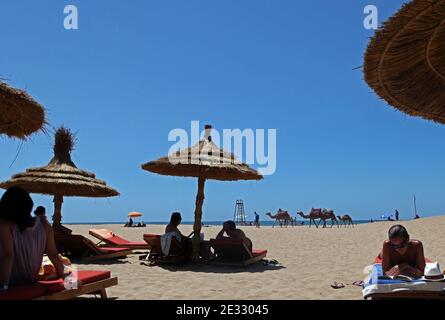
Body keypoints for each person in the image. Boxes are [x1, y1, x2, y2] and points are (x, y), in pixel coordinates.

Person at [0, 187, 66, 292]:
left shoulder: (4, 224)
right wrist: (72, 282)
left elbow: (7, 255)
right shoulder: (45, 225)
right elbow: (54, 254)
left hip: (10, 282)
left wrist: (3, 287)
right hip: (30, 279)